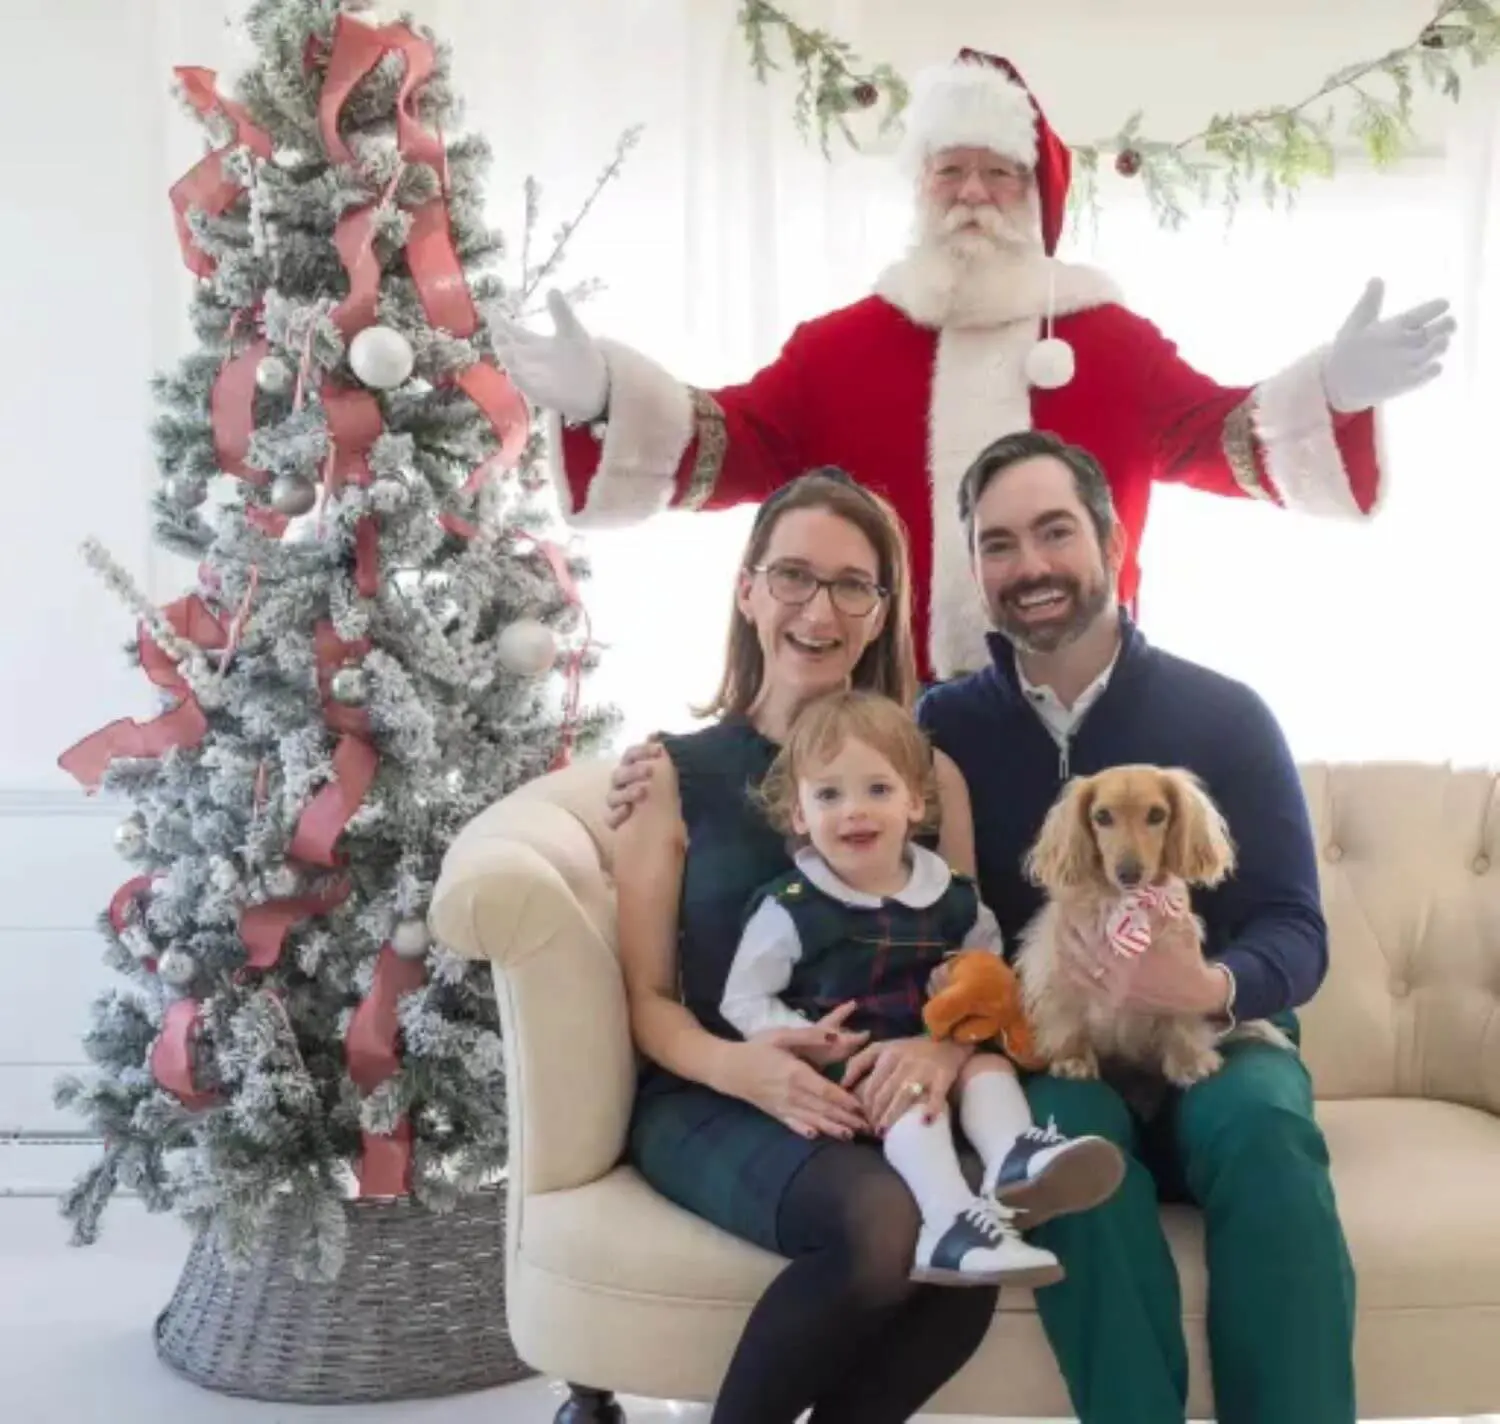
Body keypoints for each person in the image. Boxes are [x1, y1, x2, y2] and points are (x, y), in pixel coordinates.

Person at [486, 46, 1455, 685]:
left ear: (1038, 195)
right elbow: (738, 444)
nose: (973, 193)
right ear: (918, 188)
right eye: (950, 170)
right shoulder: (842, 345)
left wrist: (1334, 390)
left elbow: (1223, 437)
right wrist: (607, 396)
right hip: (873, 714)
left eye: (1000, 172)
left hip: (1076, 701)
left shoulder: (1107, 340)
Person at [611, 465, 1106, 1424]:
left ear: (881, 613)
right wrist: (741, 1069)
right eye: (793, 575)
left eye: (852, 585)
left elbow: (973, 963)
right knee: (887, 1224)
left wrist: (946, 1046)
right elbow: (645, 1000)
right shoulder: (671, 774)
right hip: (718, 1093)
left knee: (964, 1248)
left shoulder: (928, 779)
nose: (819, 609)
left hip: (890, 1091)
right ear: (748, 588)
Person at [912, 428, 1355, 1424]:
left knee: (1268, 1131)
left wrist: (1206, 987)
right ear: (976, 566)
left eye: (1055, 531)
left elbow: (1295, 927)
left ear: (1111, 538)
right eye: (999, 543)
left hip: (1212, 1036)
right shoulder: (942, 726)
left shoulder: (1227, 714)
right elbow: (835, 811)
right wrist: (672, 766)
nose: (1030, 566)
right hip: (1058, 1046)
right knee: (1071, 1156)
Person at [721, 687, 1125, 1288]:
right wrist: (803, 1038)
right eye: (829, 795)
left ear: (915, 801)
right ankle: (949, 1225)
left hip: (940, 1042)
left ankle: (1014, 1158)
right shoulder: (793, 908)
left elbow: (985, 962)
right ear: (799, 814)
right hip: (850, 1062)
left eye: (877, 790)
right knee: (914, 1099)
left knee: (991, 1072)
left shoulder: (951, 893)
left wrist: (965, 986)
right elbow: (743, 998)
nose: (854, 810)